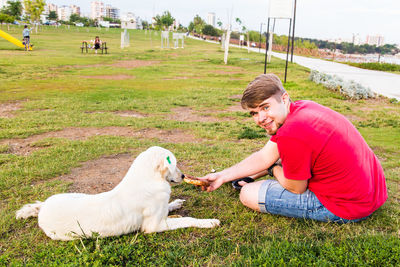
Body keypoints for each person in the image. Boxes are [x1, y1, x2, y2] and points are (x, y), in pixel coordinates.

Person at [199, 73, 387, 223]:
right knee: (275, 161)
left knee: (248, 194)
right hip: (373, 192)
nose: (260, 118)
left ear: (284, 98)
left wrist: (274, 169)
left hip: (347, 206)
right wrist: (222, 176)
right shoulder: (303, 107)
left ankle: (248, 181)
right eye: (254, 113)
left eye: (265, 107)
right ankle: (241, 177)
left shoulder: (292, 132)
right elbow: (265, 156)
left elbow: (297, 188)